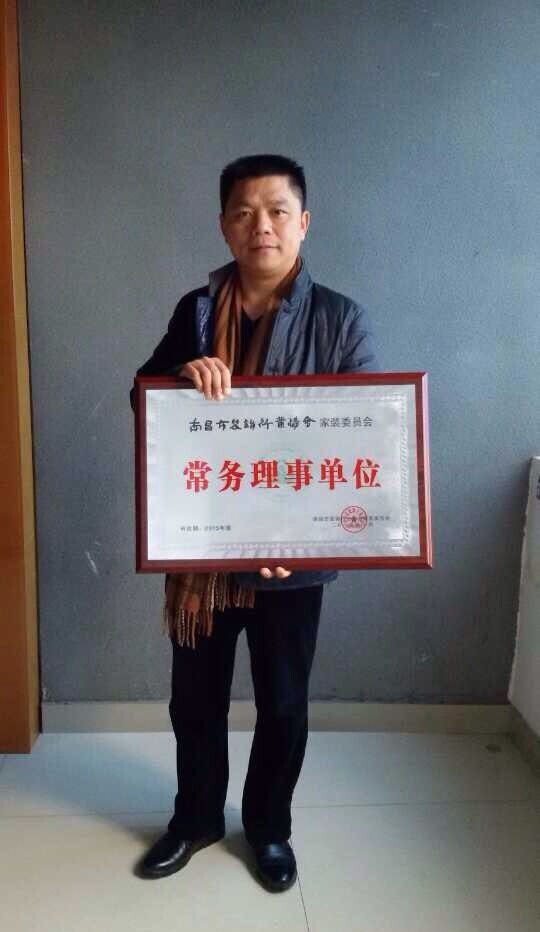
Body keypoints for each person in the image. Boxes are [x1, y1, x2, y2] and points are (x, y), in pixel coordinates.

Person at [132, 154, 379, 891]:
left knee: (284, 703)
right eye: (243, 211)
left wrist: (299, 534)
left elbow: (362, 434)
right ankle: (195, 819)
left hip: (292, 557)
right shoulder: (197, 311)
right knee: (195, 701)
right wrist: (181, 376)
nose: (260, 225)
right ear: (224, 227)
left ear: (303, 223)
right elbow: (144, 399)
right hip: (205, 551)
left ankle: (269, 829)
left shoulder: (341, 319)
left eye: (276, 210)